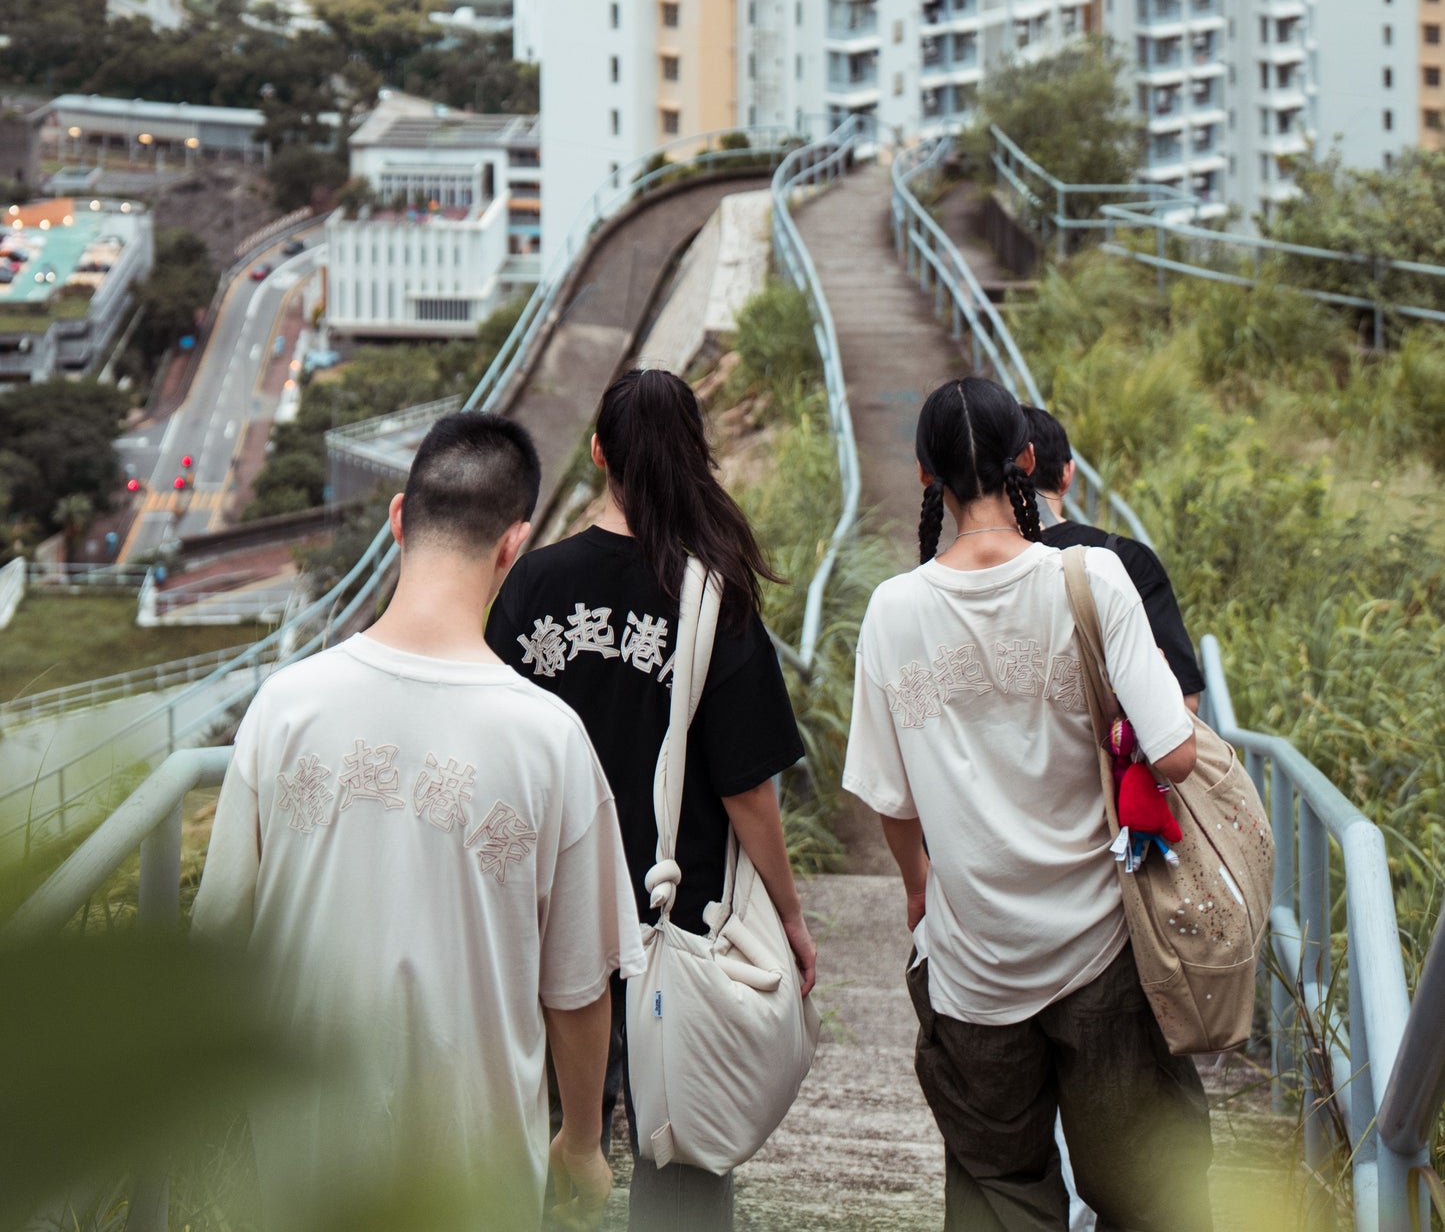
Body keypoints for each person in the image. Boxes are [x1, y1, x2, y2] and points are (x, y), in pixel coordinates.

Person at [192, 409, 642, 1232]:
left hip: (299, 1169)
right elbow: (578, 989)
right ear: (514, 544)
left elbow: (220, 936)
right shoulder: (549, 738)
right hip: (476, 1179)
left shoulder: (284, 707)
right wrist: (581, 1142)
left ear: (398, 518)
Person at [843, 376, 1213, 1232]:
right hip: (1101, 950)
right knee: (1145, 1190)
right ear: (1028, 460)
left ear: (924, 470)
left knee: (997, 1186)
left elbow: (890, 798)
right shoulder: (1095, 579)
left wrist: (915, 888)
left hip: (972, 963)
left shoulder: (892, 610)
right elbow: (1180, 751)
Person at [487, 366, 814, 1232]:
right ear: (695, 458)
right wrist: (788, 914)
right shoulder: (713, 594)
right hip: (675, 915)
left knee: (554, 1138)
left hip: (549, 911)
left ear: (597, 453)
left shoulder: (531, 586)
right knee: (680, 1146)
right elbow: (746, 786)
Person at [1025, 404, 1204, 710]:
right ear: (1068, 473)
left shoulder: (964, 570)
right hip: (1106, 752)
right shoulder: (1125, 560)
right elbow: (1184, 702)